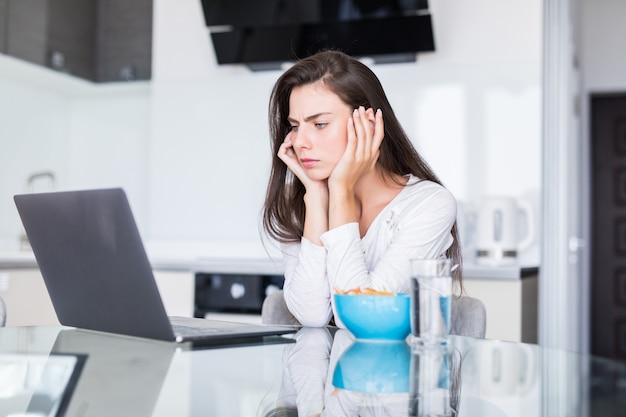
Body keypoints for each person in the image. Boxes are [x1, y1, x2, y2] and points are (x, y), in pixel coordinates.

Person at [262, 50, 462, 328]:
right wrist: (317, 198)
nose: (300, 142)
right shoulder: (300, 201)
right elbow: (312, 316)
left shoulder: (429, 204)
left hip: (406, 368)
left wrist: (341, 189)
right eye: (294, 126)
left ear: (366, 124)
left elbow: (361, 318)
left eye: (319, 124)